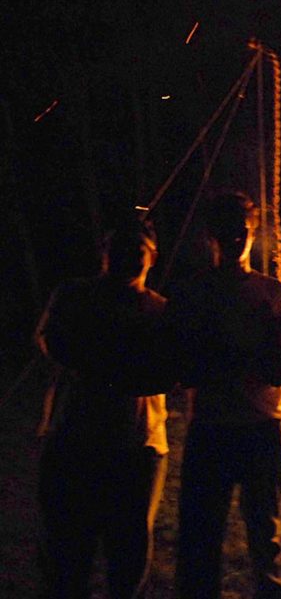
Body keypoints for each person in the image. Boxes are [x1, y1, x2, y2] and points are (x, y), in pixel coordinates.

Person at [168, 192, 281, 599]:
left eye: (241, 231)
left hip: (260, 426)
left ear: (252, 232)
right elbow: (182, 363)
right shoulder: (193, 295)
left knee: (265, 528)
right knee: (201, 531)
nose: (235, 239)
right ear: (211, 237)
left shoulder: (274, 294)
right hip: (211, 427)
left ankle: (270, 589)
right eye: (226, 233)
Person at [35, 215, 173, 599]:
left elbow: (168, 371)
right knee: (66, 557)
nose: (128, 258)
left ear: (152, 257)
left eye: (138, 251)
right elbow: (53, 342)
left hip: (136, 448)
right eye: (120, 249)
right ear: (105, 252)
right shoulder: (73, 296)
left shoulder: (161, 312)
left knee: (127, 561)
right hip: (72, 441)